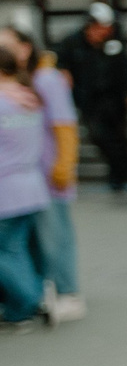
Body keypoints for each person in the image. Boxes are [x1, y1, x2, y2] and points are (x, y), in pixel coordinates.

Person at [0, 23, 79, 320]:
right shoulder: (24, 84)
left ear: (25, 47)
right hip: (29, 175)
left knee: (54, 236)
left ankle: (65, 292)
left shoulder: (45, 79)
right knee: (27, 243)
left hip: (46, 174)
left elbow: (65, 125)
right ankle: (35, 294)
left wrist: (64, 165)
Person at [52, 2, 127, 191]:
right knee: (99, 136)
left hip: (115, 98)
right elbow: (58, 59)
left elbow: (126, 69)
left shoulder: (115, 43)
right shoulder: (72, 42)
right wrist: (63, 71)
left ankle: (121, 175)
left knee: (120, 136)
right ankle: (124, 170)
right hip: (89, 100)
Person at [0, 41, 51, 332]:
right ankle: (22, 306)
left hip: (6, 189)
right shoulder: (28, 99)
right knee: (17, 248)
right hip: (31, 185)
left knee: (6, 251)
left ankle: (29, 301)